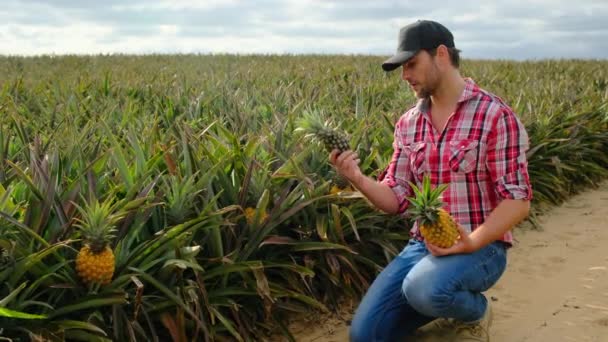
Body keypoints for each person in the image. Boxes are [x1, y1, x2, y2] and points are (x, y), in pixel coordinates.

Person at [330, 20, 533, 341]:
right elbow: (395, 198)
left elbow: (518, 200)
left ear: (441, 54)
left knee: (423, 288)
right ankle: (432, 298)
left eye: (412, 64)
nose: (405, 75)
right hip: (422, 246)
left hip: (482, 246)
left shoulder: (494, 115)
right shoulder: (408, 123)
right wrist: (356, 178)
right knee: (365, 335)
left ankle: (476, 311)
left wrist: (472, 241)